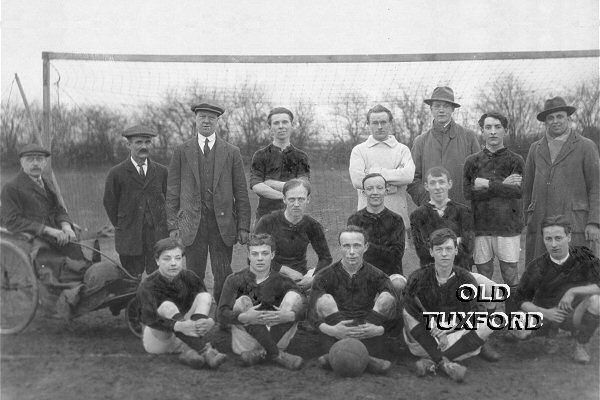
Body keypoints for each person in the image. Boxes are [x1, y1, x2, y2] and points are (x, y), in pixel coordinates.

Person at [166, 101, 251, 303]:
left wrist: (243, 226)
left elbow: (241, 192)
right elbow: (172, 191)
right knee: (193, 273)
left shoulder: (232, 152)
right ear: (195, 120)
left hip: (222, 224)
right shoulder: (181, 150)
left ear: (217, 121)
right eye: (202, 116)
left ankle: (222, 313)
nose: (206, 121)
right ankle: (196, 312)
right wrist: (173, 225)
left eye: (211, 117)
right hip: (191, 224)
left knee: (223, 273)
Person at [402, 228, 497, 382]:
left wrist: (450, 325)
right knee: (406, 313)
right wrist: (432, 324)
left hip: (456, 336)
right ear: (431, 252)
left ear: (456, 250)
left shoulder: (465, 278)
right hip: (427, 339)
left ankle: (434, 362)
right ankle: (444, 363)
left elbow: (477, 312)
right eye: (439, 249)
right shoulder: (418, 277)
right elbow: (408, 305)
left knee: (489, 322)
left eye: (448, 249)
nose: (444, 254)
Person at [308, 225, 399, 375]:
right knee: (324, 300)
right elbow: (311, 314)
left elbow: (396, 315)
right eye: (346, 246)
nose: (351, 252)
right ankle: (367, 360)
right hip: (335, 334)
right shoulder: (324, 276)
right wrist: (332, 330)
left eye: (357, 246)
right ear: (340, 247)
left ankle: (334, 358)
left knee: (387, 298)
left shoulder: (378, 275)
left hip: (367, 331)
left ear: (366, 247)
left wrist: (378, 330)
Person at [512, 215, 600, 364]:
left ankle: (581, 344)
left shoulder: (584, 258)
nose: (553, 244)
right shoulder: (537, 266)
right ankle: (548, 335)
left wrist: (572, 292)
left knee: (597, 301)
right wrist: (545, 312)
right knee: (518, 325)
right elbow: (520, 299)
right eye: (548, 239)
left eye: (558, 238)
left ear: (569, 236)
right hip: (545, 313)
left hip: (573, 313)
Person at [523, 96, 600, 264]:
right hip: (541, 222)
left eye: (560, 116)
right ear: (545, 122)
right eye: (550, 118)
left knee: (579, 273)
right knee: (541, 274)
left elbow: (596, 187)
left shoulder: (586, 146)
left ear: (569, 118)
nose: (555, 121)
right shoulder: (535, 148)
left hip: (575, 222)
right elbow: (527, 188)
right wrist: (527, 218)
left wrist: (594, 222)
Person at [217, 233, 305, 370]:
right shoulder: (234, 279)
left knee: (295, 297)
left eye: (264, 253)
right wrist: (244, 317)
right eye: (255, 254)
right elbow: (221, 314)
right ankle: (275, 354)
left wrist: (289, 316)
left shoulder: (283, 280)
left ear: (272, 255)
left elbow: (306, 307)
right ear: (248, 255)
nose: (259, 258)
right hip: (247, 343)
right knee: (243, 301)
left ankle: (263, 352)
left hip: (277, 336)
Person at [137, 238, 227, 369]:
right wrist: (177, 326)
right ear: (157, 261)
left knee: (205, 296)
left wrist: (211, 320)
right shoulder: (147, 285)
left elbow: (210, 304)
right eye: (167, 259)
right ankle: (205, 350)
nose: (173, 263)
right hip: (160, 339)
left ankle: (190, 352)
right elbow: (147, 319)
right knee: (168, 306)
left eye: (177, 258)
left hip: (188, 332)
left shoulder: (190, 277)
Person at [463, 112, 525, 288]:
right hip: (480, 226)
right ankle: (488, 314)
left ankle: (513, 313)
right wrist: (503, 185)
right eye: (488, 127)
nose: (493, 131)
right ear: (482, 131)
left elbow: (517, 192)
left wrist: (487, 184)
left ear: (505, 130)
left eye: (497, 127)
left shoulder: (516, 160)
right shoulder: (472, 161)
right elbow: (468, 193)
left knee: (510, 274)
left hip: (508, 226)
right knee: (484, 277)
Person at [103, 125, 168, 276]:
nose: (143, 146)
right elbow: (109, 202)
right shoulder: (116, 173)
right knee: (131, 277)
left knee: (157, 277)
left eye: (147, 142)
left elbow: (171, 200)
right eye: (138, 142)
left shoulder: (161, 172)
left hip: (156, 235)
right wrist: (122, 223)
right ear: (128, 145)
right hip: (129, 235)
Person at [1, 143, 83, 261]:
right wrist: (48, 230)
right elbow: (12, 222)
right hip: (34, 240)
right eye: (30, 160)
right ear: (21, 163)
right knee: (71, 269)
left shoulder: (47, 182)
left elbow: (58, 209)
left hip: (58, 236)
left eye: (39, 159)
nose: (35, 163)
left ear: (45, 163)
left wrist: (66, 226)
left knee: (85, 261)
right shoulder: (11, 188)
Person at [408, 87, 480, 207]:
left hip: (463, 209)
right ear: (431, 109)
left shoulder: (468, 137)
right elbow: (412, 179)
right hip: (431, 212)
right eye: (437, 106)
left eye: (446, 106)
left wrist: (468, 200)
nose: (441, 110)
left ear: (453, 109)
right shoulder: (420, 141)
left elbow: (479, 173)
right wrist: (427, 199)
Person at [254, 179, 332, 291]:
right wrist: (285, 270)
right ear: (284, 199)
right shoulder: (267, 222)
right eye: (291, 199)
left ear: (308, 199)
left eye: (301, 199)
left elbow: (326, 258)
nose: (296, 204)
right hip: (269, 275)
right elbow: (253, 257)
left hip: (300, 278)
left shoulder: (312, 225)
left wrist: (313, 277)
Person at [349, 104, 415, 227]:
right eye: (375, 123)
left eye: (383, 122)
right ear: (368, 124)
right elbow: (358, 181)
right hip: (366, 221)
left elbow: (408, 176)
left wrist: (372, 173)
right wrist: (393, 182)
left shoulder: (402, 150)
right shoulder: (359, 150)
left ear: (390, 123)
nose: (379, 127)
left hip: (397, 220)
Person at [250, 107, 310, 222]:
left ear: (291, 125)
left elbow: (303, 186)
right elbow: (257, 186)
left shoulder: (301, 156)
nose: (281, 126)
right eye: (276, 123)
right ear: (270, 127)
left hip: (294, 217)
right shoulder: (260, 155)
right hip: (265, 218)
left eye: (285, 122)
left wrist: (271, 183)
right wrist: (289, 196)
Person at [347, 173, 407, 285]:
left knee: (398, 284)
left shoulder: (396, 220)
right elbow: (353, 253)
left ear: (386, 190)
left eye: (379, 188)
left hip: (391, 273)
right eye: (370, 188)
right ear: (364, 192)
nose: (375, 192)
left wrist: (366, 246)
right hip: (363, 272)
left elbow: (396, 256)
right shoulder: (354, 220)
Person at [410, 166, 474, 270]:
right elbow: (423, 253)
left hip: (461, 272)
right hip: (430, 273)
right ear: (426, 186)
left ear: (449, 184)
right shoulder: (417, 215)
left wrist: (433, 243)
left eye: (441, 182)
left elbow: (468, 250)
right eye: (433, 183)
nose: (437, 187)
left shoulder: (464, 212)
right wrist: (455, 241)